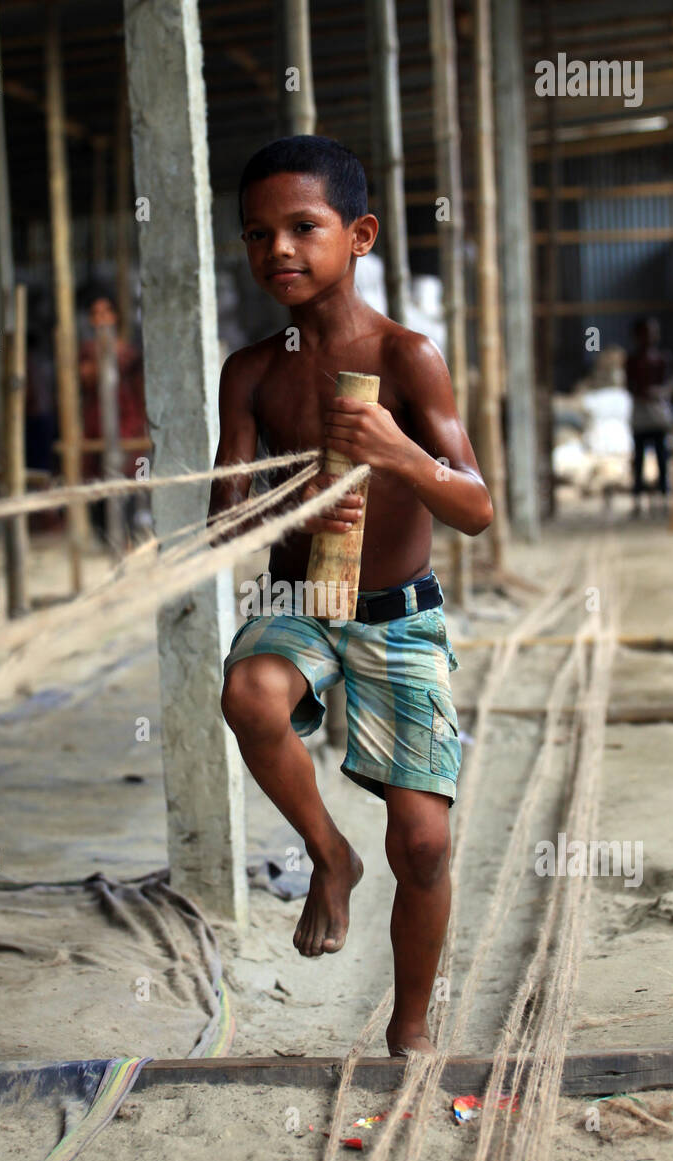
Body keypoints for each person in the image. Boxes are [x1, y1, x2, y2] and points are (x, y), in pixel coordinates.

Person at [208, 136, 492, 1056]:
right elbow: (229, 499)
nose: (278, 251)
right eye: (258, 234)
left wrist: (399, 453)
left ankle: (409, 1032)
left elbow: (477, 507)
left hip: (397, 611)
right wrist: (238, 509)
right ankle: (329, 854)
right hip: (299, 597)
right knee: (249, 693)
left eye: (303, 227)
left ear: (360, 234)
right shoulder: (249, 371)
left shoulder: (408, 358)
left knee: (424, 847)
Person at [78, 290, 149, 539]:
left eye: (106, 312)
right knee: (99, 488)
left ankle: (129, 536)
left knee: (129, 486)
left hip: (127, 428)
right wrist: (104, 355)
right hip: (96, 429)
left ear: (115, 316)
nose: (101, 319)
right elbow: (85, 378)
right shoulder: (87, 353)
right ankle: (106, 537)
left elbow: (140, 392)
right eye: (96, 314)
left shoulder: (129, 354)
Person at [625, 316, 673, 514]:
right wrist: (642, 394)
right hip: (641, 414)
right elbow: (629, 386)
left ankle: (664, 496)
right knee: (639, 458)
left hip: (658, 414)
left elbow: (668, 384)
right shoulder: (632, 360)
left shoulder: (663, 358)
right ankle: (637, 498)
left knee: (662, 457)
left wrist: (658, 393)